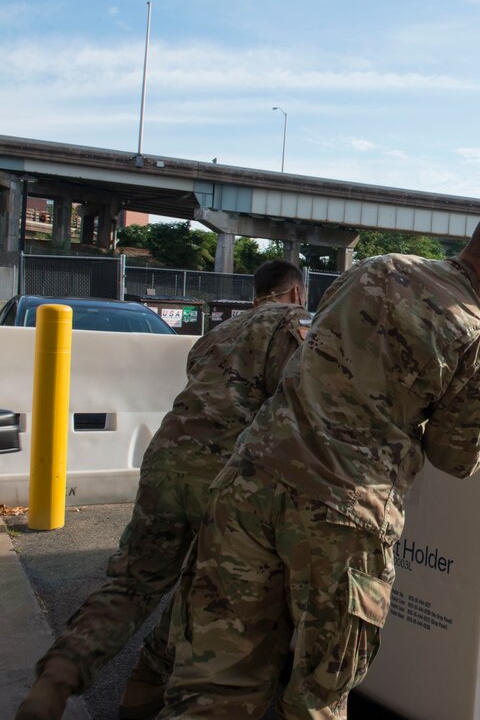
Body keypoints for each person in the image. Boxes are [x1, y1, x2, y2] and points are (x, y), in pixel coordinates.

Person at [158, 204, 480, 718]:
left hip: (252, 480)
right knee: (317, 696)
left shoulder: (376, 268)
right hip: (343, 517)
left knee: (214, 677)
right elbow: (454, 458)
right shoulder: (477, 336)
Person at [16, 260, 311, 720]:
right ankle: (160, 697)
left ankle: (56, 680)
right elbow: (298, 404)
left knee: (133, 584)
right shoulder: (294, 325)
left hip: (165, 460)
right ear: (296, 293)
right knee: (215, 598)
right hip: (227, 475)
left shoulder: (216, 334)